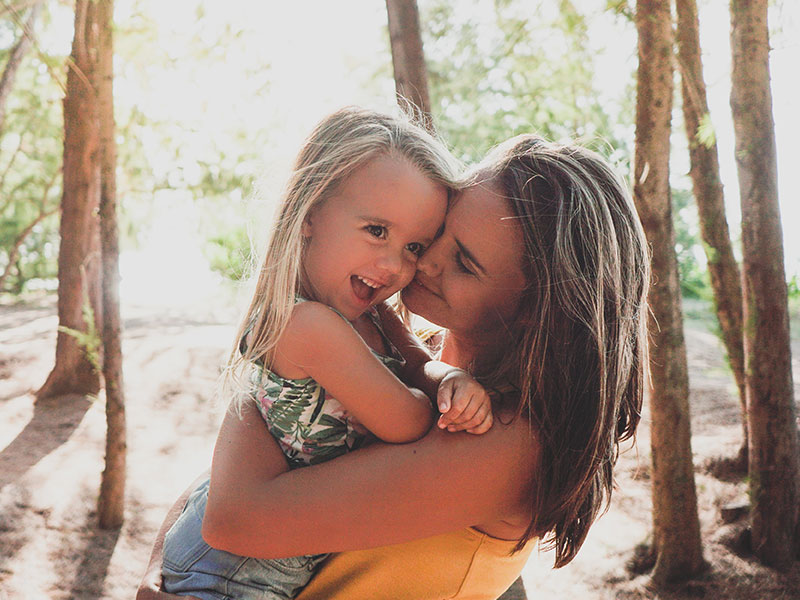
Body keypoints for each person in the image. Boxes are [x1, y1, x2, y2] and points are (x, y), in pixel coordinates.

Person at [139, 133, 650, 600]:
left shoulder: (506, 441)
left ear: (534, 310)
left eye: (464, 262)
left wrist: (271, 370)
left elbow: (235, 519)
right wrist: (161, 570)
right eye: (438, 234)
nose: (422, 262)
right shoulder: (415, 356)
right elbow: (246, 475)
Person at [159, 107, 495, 600]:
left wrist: (448, 381)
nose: (393, 265)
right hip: (228, 574)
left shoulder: (369, 315)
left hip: (280, 562)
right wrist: (437, 399)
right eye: (377, 231)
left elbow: (419, 365)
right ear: (311, 212)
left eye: (413, 246)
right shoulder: (307, 325)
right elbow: (406, 422)